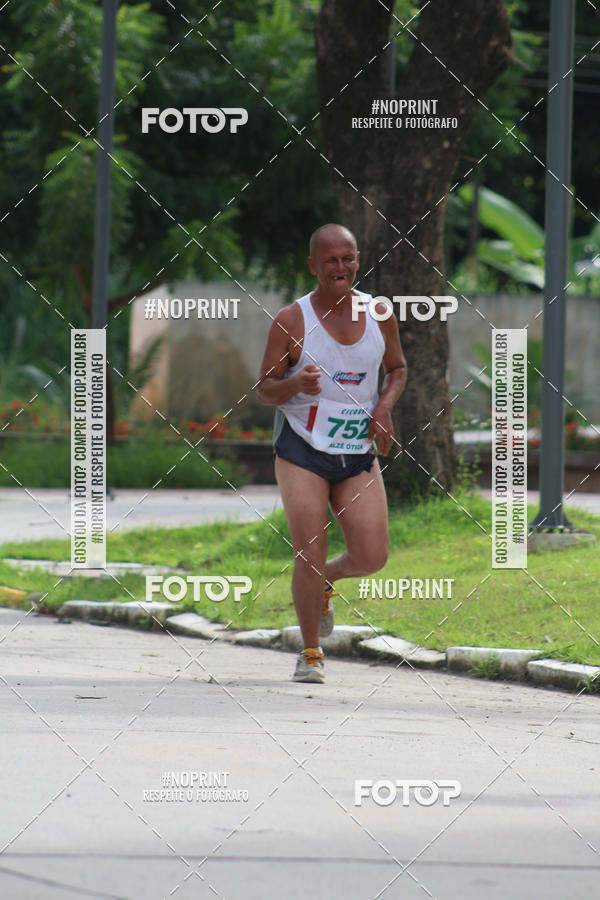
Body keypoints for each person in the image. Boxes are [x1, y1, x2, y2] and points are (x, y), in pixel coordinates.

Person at [257, 224, 407, 683]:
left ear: (357, 260)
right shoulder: (291, 320)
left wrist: (383, 405)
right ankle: (310, 652)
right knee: (310, 549)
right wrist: (292, 384)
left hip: (356, 450)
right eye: (330, 260)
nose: (339, 268)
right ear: (312, 266)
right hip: (303, 447)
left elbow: (397, 368)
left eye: (347, 258)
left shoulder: (379, 313)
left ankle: (326, 581)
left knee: (372, 556)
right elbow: (264, 389)